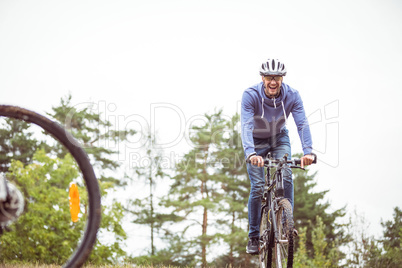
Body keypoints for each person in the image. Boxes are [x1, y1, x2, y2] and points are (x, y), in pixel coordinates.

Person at [241, 58, 314, 254]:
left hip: (279, 137)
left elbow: (302, 123)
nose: (273, 82)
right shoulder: (250, 95)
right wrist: (251, 153)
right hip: (255, 141)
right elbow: (246, 125)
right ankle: (254, 236)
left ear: (283, 78)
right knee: (257, 187)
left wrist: (308, 151)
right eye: (269, 77)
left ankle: (286, 224)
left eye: (277, 78)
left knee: (287, 173)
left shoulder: (293, 96)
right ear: (262, 78)